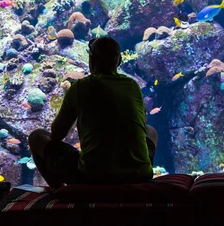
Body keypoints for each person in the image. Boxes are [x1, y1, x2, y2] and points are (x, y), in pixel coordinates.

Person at [28, 37, 157, 188]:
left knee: (37, 137)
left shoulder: (80, 86)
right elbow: (140, 126)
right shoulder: (133, 85)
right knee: (151, 131)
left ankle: (59, 192)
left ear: (91, 60)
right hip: (140, 175)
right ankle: (140, 168)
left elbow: (57, 134)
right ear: (119, 60)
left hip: (92, 177)